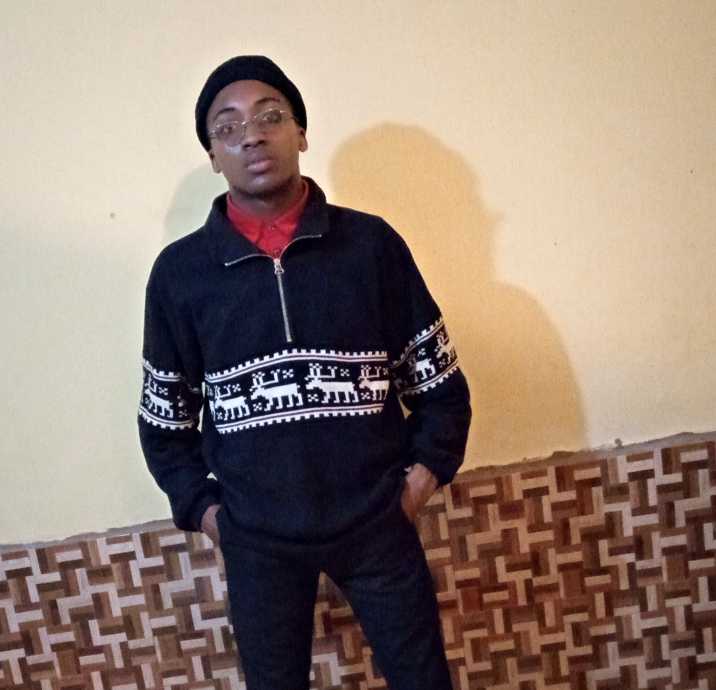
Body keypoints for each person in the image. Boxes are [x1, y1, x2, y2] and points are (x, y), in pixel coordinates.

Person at [138, 55, 471, 690]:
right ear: (213, 156)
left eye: (270, 117)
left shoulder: (371, 246)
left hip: (378, 527)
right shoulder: (181, 275)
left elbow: (441, 391)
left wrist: (412, 490)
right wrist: (214, 518)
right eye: (228, 127)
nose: (251, 137)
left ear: (301, 132)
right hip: (258, 543)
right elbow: (164, 424)